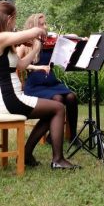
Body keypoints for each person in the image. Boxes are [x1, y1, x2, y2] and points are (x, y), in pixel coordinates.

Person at [0, 1, 80, 169]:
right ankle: (57, 160)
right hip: (9, 99)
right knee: (58, 108)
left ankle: (27, 154)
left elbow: (20, 66)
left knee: (52, 109)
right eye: (15, 20)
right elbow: (34, 30)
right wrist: (39, 31)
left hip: (6, 98)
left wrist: (35, 48)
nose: (15, 24)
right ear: (9, 18)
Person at [17, 13, 79, 144]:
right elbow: (18, 64)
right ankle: (53, 134)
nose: (45, 26)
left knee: (71, 97)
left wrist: (73, 39)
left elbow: (72, 37)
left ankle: (73, 136)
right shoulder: (25, 44)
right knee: (58, 98)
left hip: (52, 82)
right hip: (35, 85)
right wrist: (36, 67)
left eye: (45, 23)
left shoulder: (50, 40)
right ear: (33, 26)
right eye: (41, 24)